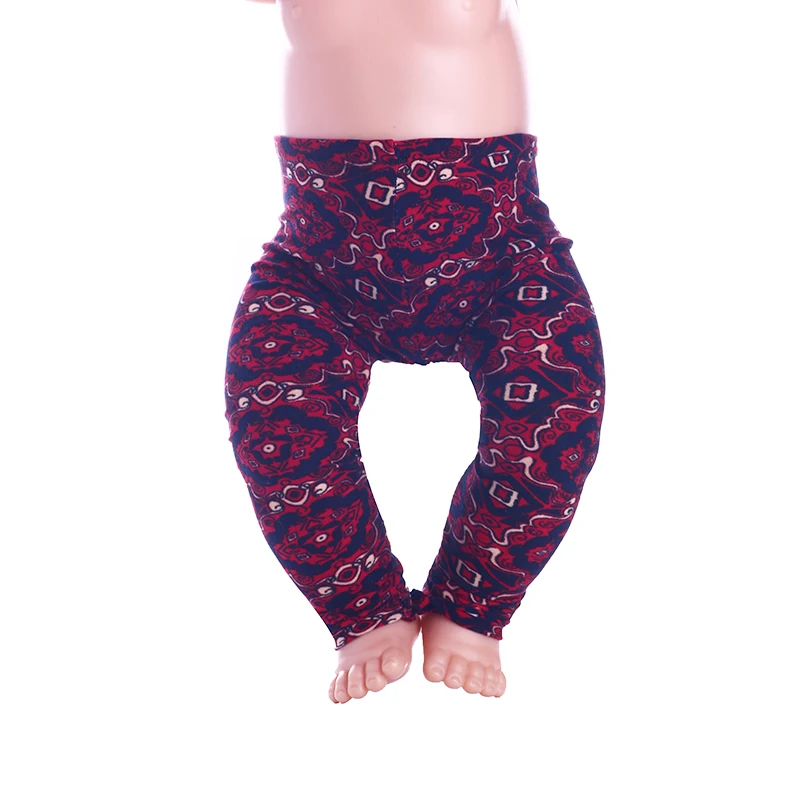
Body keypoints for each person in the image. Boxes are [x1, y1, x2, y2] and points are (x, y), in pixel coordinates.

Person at [224, 0, 605, 704]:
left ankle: (471, 605)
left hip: (500, 255)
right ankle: (363, 609)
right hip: (320, 262)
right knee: (271, 424)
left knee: (558, 417)